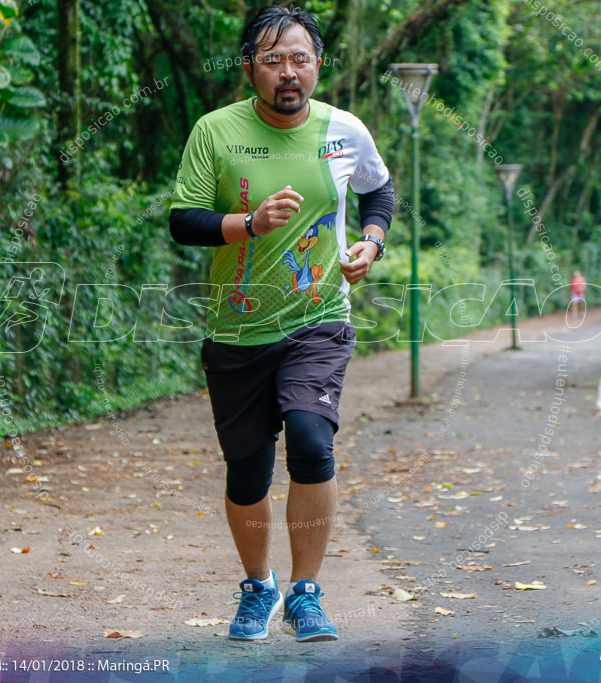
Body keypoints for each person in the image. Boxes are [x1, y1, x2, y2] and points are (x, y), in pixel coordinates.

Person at [168, 5, 394, 643]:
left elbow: (380, 192)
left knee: (311, 441)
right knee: (247, 472)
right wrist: (248, 223)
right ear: (250, 69)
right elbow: (183, 219)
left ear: (318, 65)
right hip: (236, 330)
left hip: (317, 318)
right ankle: (258, 587)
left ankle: (307, 593)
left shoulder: (344, 130)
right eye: (272, 61)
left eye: (299, 58)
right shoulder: (215, 131)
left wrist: (371, 243)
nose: (287, 72)